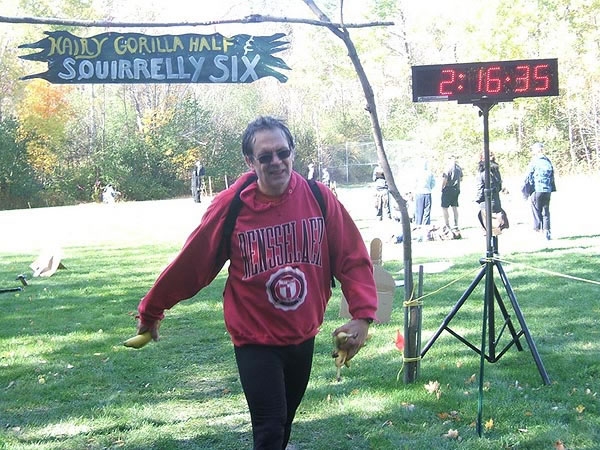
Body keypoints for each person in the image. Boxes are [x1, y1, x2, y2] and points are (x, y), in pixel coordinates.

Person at [133, 116, 377, 450]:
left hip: (302, 334)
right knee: (270, 428)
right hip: (255, 338)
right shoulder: (232, 207)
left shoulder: (319, 198)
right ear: (250, 161)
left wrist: (362, 315)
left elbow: (352, 256)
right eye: (265, 157)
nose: (276, 162)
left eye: (282, 152)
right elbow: (192, 263)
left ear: (292, 152)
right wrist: (152, 309)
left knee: (283, 424)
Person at [524, 142, 556, 240]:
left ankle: (537, 229)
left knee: (536, 210)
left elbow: (528, 176)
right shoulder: (547, 161)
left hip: (537, 189)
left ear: (536, 150)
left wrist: (526, 189)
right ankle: (547, 230)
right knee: (546, 210)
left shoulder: (534, 161)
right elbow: (552, 176)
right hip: (547, 190)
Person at [441, 154, 463, 230]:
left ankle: (447, 224)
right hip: (456, 189)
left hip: (448, 188)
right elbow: (461, 179)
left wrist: (442, 187)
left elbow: (445, 179)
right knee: (455, 207)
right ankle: (456, 224)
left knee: (445, 207)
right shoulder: (459, 168)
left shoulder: (447, 168)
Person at [413, 160, 435, 226]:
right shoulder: (430, 173)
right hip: (427, 193)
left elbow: (414, 183)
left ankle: (418, 225)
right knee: (427, 212)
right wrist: (429, 188)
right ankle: (425, 226)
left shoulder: (416, 173)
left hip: (419, 193)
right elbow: (433, 183)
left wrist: (415, 190)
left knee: (419, 212)